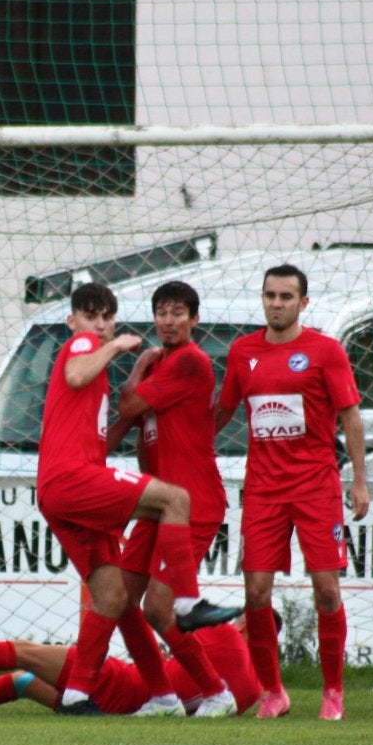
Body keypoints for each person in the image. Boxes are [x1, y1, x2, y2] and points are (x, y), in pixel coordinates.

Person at [36, 281, 221, 716]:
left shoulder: (108, 372)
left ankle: (84, 695)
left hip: (59, 492)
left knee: (115, 598)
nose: (99, 325)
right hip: (73, 480)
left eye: (107, 318)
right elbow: (78, 372)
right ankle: (191, 604)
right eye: (90, 316)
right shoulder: (85, 350)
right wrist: (118, 346)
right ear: (72, 322)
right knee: (174, 498)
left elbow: (112, 425)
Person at [214, 263, 370, 721]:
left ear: (303, 303)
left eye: (286, 297)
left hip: (316, 487)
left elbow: (351, 417)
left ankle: (333, 693)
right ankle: (274, 692)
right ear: (262, 299)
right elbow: (221, 413)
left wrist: (359, 481)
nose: (276, 304)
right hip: (263, 490)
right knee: (256, 593)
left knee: (326, 590)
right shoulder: (243, 353)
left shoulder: (325, 351)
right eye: (270, 296)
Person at [105, 280, 241, 717]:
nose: (169, 320)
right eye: (162, 312)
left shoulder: (189, 363)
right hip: (157, 503)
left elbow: (128, 406)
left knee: (160, 608)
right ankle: (163, 697)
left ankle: (216, 692)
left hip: (191, 504)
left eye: (178, 312)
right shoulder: (161, 366)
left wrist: (137, 366)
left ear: (194, 320)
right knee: (121, 600)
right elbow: (123, 424)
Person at [0, 618, 262, 716]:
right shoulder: (253, 691)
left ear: (246, 627)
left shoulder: (226, 633)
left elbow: (162, 614)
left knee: (25, 653)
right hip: (124, 705)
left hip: (122, 684)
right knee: (24, 681)